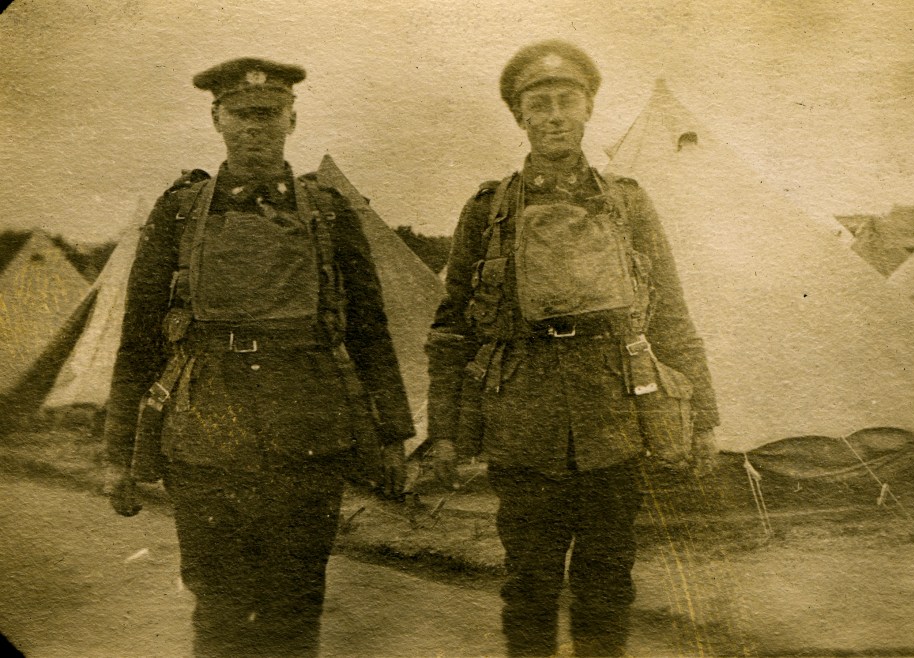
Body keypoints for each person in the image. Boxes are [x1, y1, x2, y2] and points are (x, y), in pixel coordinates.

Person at [103, 57, 414, 657]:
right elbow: (138, 337)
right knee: (217, 603)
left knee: (296, 601)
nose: (254, 127)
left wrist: (393, 436)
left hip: (308, 433)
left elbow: (370, 331)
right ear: (216, 118)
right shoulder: (179, 211)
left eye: (268, 114)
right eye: (241, 114)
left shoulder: (328, 211)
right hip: (203, 433)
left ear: (291, 120)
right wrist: (118, 453)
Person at [426, 41, 720, 657]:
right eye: (540, 105)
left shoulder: (628, 203)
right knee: (528, 584)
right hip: (522, 425)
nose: (555, 116)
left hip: (614, 419)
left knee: (607, 581)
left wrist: (703, 421)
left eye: (567, 101)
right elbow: (452, 329)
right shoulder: (488, 210)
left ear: (588, 109)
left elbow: (671, 314)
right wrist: (445, 433)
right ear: (520, 117)